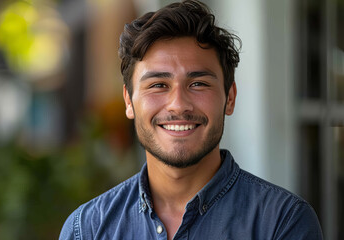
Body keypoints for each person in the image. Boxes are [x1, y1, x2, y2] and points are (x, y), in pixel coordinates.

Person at [59, 0, 323, 239]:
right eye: (158, 85)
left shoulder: (282, 223)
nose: (178, 105)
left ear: (230, 98)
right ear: (129, 101)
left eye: (197, 83)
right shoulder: (88, 229)